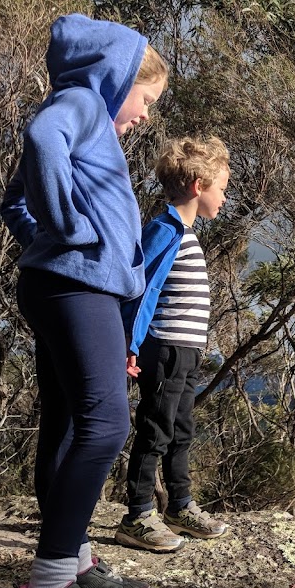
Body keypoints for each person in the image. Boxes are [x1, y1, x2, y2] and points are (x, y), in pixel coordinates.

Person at [0, 14, 167, 588]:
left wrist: (47, 235)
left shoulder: (88, 118)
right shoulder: (81, 105)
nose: (145, 115)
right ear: (116, 76)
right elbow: (42, 139)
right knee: (107, 424)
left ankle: (73, 560)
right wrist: (69, 231)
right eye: (146, 100)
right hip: (78, 287)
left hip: (64, 283)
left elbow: (14, 201)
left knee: (68, 423)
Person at [115, 136, 230, 553]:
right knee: (155, 428)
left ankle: (179, 505)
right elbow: (142, 291)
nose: (224, 198)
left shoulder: (186, 234)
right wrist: (130, 343)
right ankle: (138, 514)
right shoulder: (164, 231)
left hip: (185, 352)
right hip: (163, 350)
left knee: (181, 428)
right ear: (199, 185)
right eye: (222, 188)